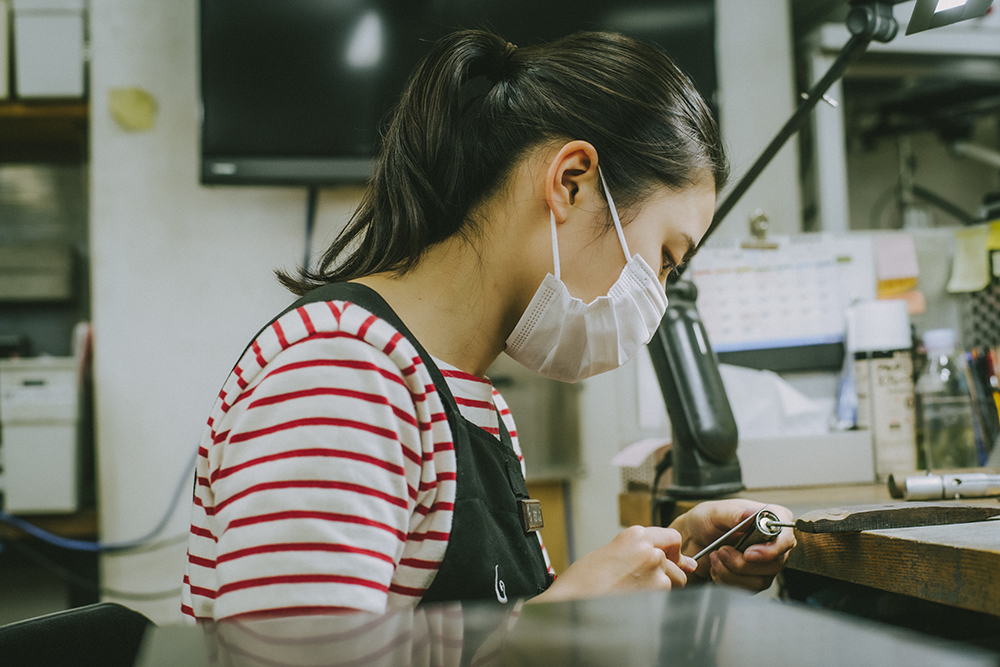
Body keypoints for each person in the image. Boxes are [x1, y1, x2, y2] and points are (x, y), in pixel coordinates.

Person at [182, 28, 795, 622]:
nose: (656, 297)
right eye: (665, 258)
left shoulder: (467, 401)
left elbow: (482, 627)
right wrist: (564, 621)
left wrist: (673, 561)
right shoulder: (342, 374)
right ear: (571, 182)